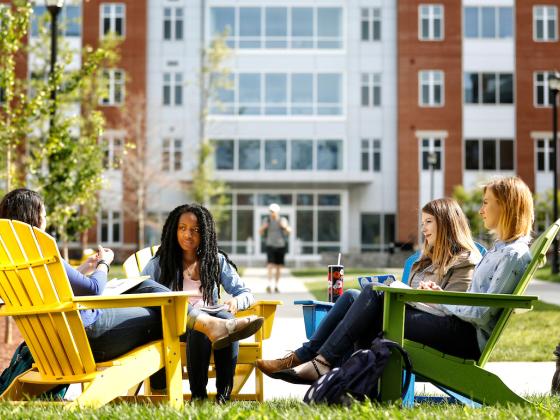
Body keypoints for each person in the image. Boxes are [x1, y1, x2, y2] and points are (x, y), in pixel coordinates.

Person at [258, 177, 533, 385]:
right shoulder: (500, 249)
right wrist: (437, 294)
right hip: (455, 323)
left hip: (463, 337)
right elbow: (474, 302)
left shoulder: (512, 255)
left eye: (487, 202)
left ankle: (323, 364)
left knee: (372, 299)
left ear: (506, 206)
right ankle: (311, 359)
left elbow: (482, 313)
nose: (482, 210)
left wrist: (434, 299)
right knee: (358, 296)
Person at [0, 189, 263, 392]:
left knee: (153, 292)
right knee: (159, 303)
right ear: (33, 218)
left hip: (55, 343)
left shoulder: (14, 261)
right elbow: (93, 290)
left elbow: (49, 284)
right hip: (90, 337)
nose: (47, 220)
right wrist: (103, 264)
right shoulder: (44, 249)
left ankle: (206, 333)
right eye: (44, 215)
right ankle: (201, 331)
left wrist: (81, 268)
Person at [142, 203, 257, 402]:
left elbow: (246, 292)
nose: (188, 235)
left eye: (195, 230)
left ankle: (224, 395)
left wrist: (236, 303)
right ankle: (199, 397)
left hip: (215, 316)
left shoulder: (215, 260)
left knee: (227, 319)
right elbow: (141, 289)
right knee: (201, 327)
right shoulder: (161, 263)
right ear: (174, 230)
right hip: (179, 323)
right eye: (183, 228)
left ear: (205, 233)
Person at [259, 203, 291, 293]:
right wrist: (263, 228)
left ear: (277, 212)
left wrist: (284, 227)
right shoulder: (267, 220)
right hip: (270, 245)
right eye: (270, 211)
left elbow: (289, 231)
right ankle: (269, 285)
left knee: (278, 267)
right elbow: (260, 232)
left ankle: (276, 285)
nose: (271, 213)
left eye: (273, 211)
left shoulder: (282, 220)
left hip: (280, 246)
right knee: (270, 265)